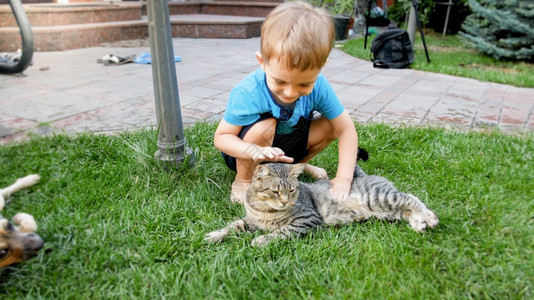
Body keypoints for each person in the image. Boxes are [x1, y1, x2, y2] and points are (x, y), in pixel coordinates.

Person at [214, 1, 359, 204]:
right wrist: (252, 151)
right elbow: (222, 137)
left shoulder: (320, 86)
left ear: (321, 67)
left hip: (286, 146)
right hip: (246, 152)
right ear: (263, 62)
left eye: (304, 84)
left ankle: (295, 167)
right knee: (264, 126)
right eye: (280, 81)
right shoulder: (248, 91)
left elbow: (346, 130)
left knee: (330, 125)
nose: (291, 92)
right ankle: (243, 179)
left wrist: (344, 179)